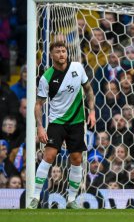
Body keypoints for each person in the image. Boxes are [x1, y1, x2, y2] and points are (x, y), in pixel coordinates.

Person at [27, 41, 96, 209]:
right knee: (48, 156)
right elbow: (38, 104)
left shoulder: (77, 68)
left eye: (63, 51)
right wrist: (40, 127)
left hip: (77, 121)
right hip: (57, 122)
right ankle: (35, 196)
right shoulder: (46, 77)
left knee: (76, 159)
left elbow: (88, 89)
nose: (61, 54)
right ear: (51, 55)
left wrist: (92, 111)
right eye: (57, 51)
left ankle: (72, 200)